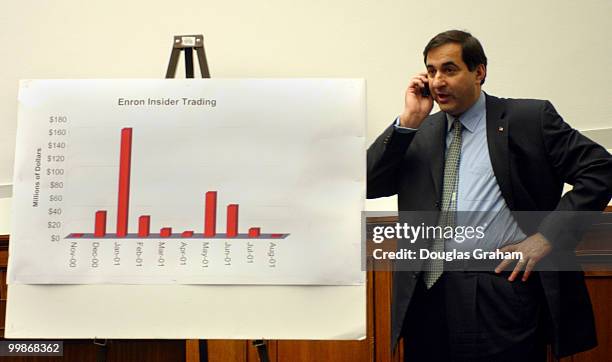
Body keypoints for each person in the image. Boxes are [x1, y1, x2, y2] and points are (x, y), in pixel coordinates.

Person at [367, 30, 612, 361]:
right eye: (431, 70)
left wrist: (546, 237)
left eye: (450, 69)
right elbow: (366, 183)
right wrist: (408, 121)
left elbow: (600, 169)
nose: (438, 80)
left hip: (503, 288)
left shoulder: (528, 119)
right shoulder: (419, 132)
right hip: (428, 294)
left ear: (479, 71)